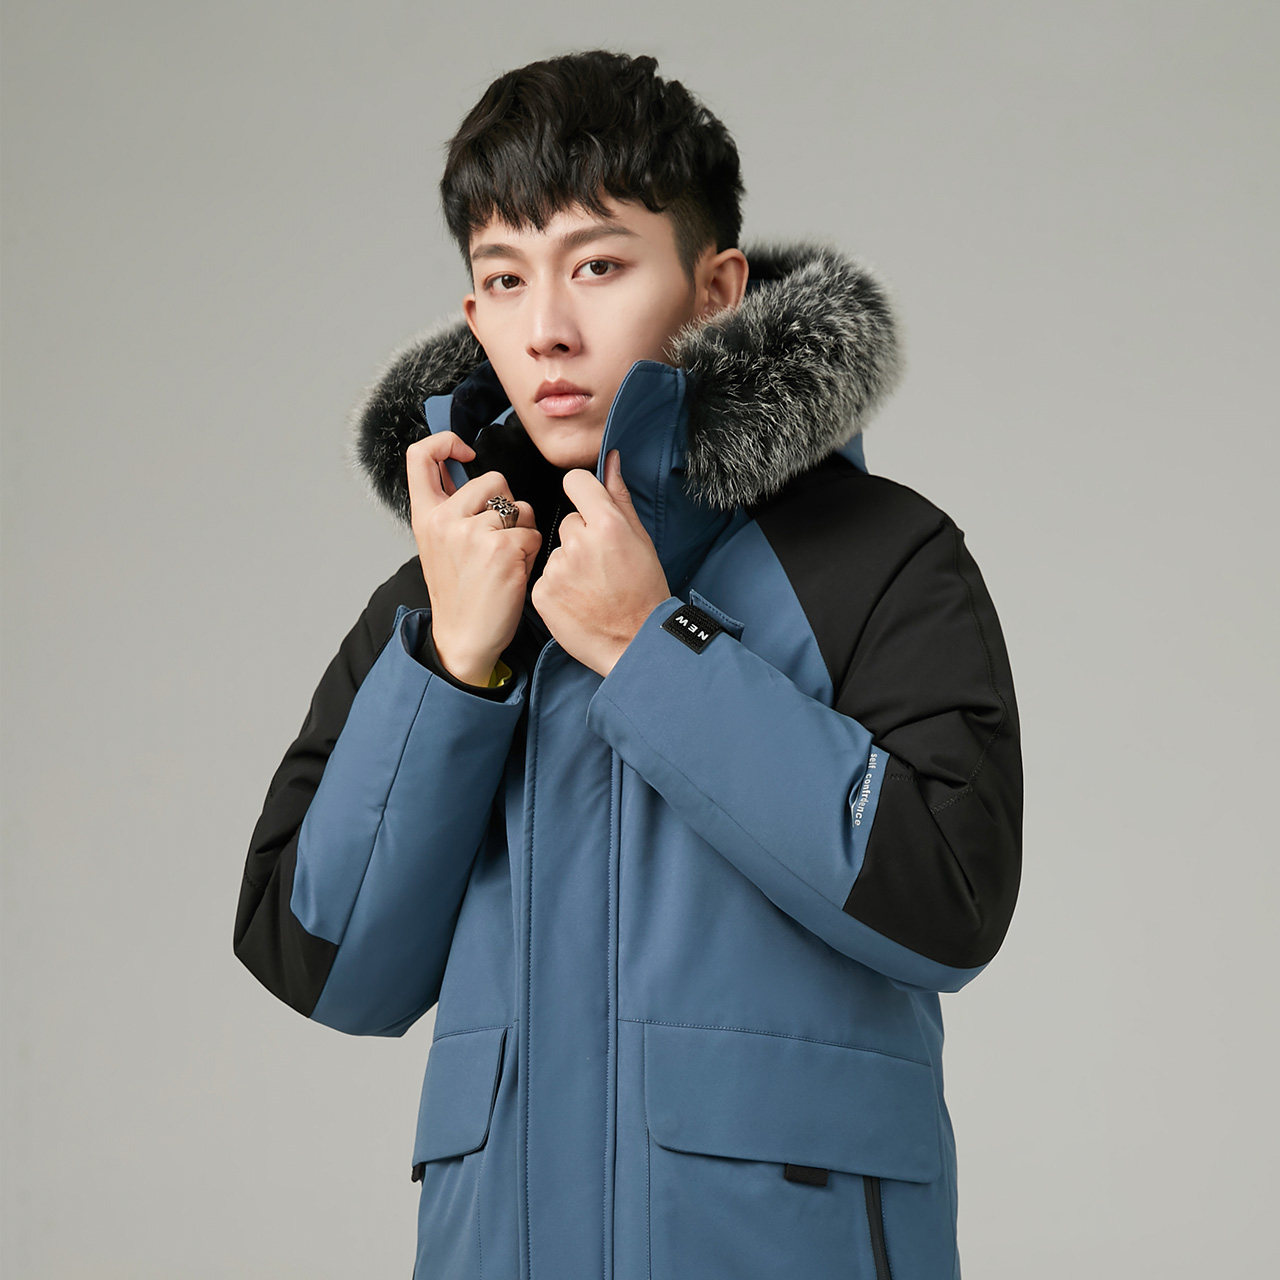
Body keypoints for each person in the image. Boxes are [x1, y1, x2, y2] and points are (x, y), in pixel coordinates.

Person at [234, 48, 1023, 1280]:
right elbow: (323, 962)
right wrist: (453, 665)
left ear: (714, 289)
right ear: (473, 317)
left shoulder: (875, 557)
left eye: (597, 265)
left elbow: (948, 905)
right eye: (505, 278)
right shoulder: (443, 601)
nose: (546, 327)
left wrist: (655, 650)